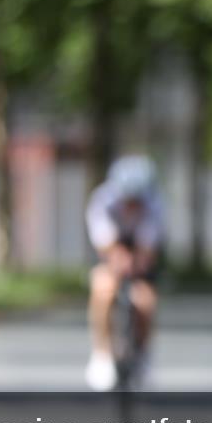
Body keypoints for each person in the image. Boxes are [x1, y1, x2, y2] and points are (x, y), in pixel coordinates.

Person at [84, 155, 165, 391]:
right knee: (103, 289)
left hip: (141, 255)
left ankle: (142, 354)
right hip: (109, 252)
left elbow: (149, 246)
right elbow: (104, 242)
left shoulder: (156, 205)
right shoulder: (101, 200)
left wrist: (138, 262)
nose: (131, 205)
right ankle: (101, 354)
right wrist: (116, 259)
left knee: (145, 301)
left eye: (136, 201)